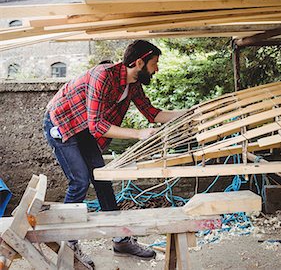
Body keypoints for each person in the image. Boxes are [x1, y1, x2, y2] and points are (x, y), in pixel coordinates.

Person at [44, 40, 186, 267]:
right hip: (62, 124)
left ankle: (120, 239)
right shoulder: (103, 76)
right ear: (139, 62)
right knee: (80, 181)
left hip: (85, 129)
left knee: (103, 179)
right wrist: (138, 133)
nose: (156, 69)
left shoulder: (133, 84)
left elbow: (152, 113)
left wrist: (188, 113)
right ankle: (68, 244)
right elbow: (97, 125)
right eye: (154, 63)